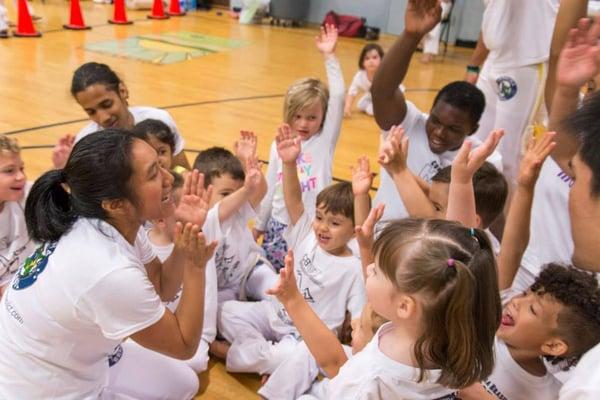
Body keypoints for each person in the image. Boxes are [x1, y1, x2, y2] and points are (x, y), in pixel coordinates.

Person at [0, 130, 216, 398]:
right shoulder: (108, 269)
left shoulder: (105, 221)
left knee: (184, 383)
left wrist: (182, 239)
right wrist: (195, 267)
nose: (169, 177)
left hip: (65, 359)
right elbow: (184, 345)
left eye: (161, 165)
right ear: (116, 204)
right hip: (41, 387)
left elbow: (161, 286)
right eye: (153, 174)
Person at [459, 132, 600, 400]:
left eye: (533, 309)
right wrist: (525, 186)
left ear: (553, 344)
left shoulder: (551, 394)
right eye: (525, 294)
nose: (516, 302)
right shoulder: (490, 316)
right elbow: (512, 248)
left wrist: (468, 390)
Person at [217, 124, 365, 377]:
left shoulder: (354, 269)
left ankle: (227, 351)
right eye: (319, 217)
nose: (323, 227)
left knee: (294, 357)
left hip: (302, 338)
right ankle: (264, 357)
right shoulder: (307, 234)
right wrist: (288, 164)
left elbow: (359, 319)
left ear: (353, 231)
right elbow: (294, 201)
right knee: (224, 312)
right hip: (272, 313)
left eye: (335, 223)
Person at [371, 0, 502, 225]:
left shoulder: (482, 160)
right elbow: (381, 91)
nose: (439, 132)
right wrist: (411, 35)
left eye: (453, 129)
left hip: (430, 254)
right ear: (430, 111)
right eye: (436, 120)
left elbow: (454, 223)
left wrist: (401, 172)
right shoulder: (411, 124)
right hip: (378, 238)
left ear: (473, 129)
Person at [255, 24, 345, 270]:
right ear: (289, 114)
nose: (304, 123)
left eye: (312, 117)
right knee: (272, 279)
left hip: (312, 226)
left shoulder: (324, 141)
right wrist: (260, 225)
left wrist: (330, 57)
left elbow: (337, 96)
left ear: (323, 117)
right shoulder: (280, 144)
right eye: (298, 116)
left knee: (303, 279)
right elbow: (271, 184)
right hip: (279, 224)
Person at [466, 0, 559, 184]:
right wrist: (474, 64)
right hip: (494, 57)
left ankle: (508, 212)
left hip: (525, 60)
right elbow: (492, 17)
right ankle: (472, 204)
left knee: (507, 157)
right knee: (475, 142)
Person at [52, 62, 191, 170]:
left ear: (122, 91)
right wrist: (63, 170)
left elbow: (182, 169)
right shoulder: (86, 143)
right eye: (91, 112)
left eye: (107, 104)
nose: (103, 118)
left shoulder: (160, 119)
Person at [192, 131, 277, 304]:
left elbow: (260, 192)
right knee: (221, 315)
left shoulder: (238, 210)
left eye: (236, 193)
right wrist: (245, 190)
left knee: (277, 290)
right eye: (225, 193)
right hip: (220, 289)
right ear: (202, 191)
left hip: (250, 270)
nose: (234, 199)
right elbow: (222, 209)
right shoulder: (205, 219)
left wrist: (249, 168)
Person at [0, 135, 35, 296]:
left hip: (33, 273)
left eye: (21, 168)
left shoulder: (23, 194)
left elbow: (47, 191)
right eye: (9, 171)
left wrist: (60, 166)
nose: (20, 176)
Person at [344, 43, 386, 118]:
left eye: (374, 57)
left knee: (372, 111)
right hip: (372, 97)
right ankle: (373, 106)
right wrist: (347, 107)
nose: (371, 61)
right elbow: (352, 92)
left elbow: (396, 91)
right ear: (363, 63)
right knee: (360, 104)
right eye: (367, 58)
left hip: (387, 99)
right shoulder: (360, 76)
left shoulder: (386, 73)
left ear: (382, 59)